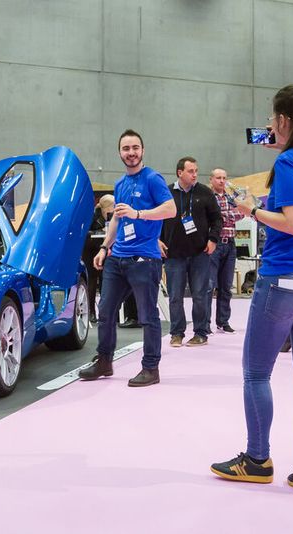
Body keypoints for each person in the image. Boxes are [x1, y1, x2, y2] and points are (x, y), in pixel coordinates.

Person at [209, 84, 293, 498]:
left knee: (255, 373)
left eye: (273, 119)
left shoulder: (288, 162)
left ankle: (257, 459)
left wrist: (250, 209)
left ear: (285, 121)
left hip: (286, 279)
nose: (268, 125)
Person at [78, 129, 175, 387]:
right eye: (125, 148)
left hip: (144, 259)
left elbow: (171, 209)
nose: (130, 153)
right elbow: (117, 220)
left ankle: (151, 368)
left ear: (142, 150)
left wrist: (139, 213)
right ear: (119, 152)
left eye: (135, 148)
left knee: (147, 315)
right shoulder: (120, 184)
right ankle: (104, 361)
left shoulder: (153, 179)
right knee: (106, 311)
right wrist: (104, 247)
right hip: (117, 258)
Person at [159, 157, 221, 347]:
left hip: (200, 253)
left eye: (196, 170)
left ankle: (201, 333)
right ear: (180, 173)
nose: (195, 174)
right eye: (191, 171)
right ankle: (176, 333)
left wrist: (213, 239)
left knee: (200, 295)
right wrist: (156, 240)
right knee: (175, 296)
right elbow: (154, 219)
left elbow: (217, 219)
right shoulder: (166, 193)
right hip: (173, 254)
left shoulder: (205, 192)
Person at [208, 168, 244, 334]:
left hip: (230, 243)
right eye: (218, 178)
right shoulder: (208, 197)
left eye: (224, 178)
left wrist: (225, 215)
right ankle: (204, 322)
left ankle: (223, 321)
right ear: (211, 180)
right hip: (213, 244)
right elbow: (213, 216)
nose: (222, 181)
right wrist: (229, 214)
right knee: (208, 286)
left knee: (226, 286)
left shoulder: (231, 197)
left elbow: (242, 213)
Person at [83, 195, 115, 323]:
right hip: (90, 250)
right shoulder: (92, 216)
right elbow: (85, 233)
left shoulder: (112, 216)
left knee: (105, 280)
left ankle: (106, 312)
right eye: (113, 206)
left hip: (104, 250)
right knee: (91, 281)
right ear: (106, 207)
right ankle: (91, 312)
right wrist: (98, 232)